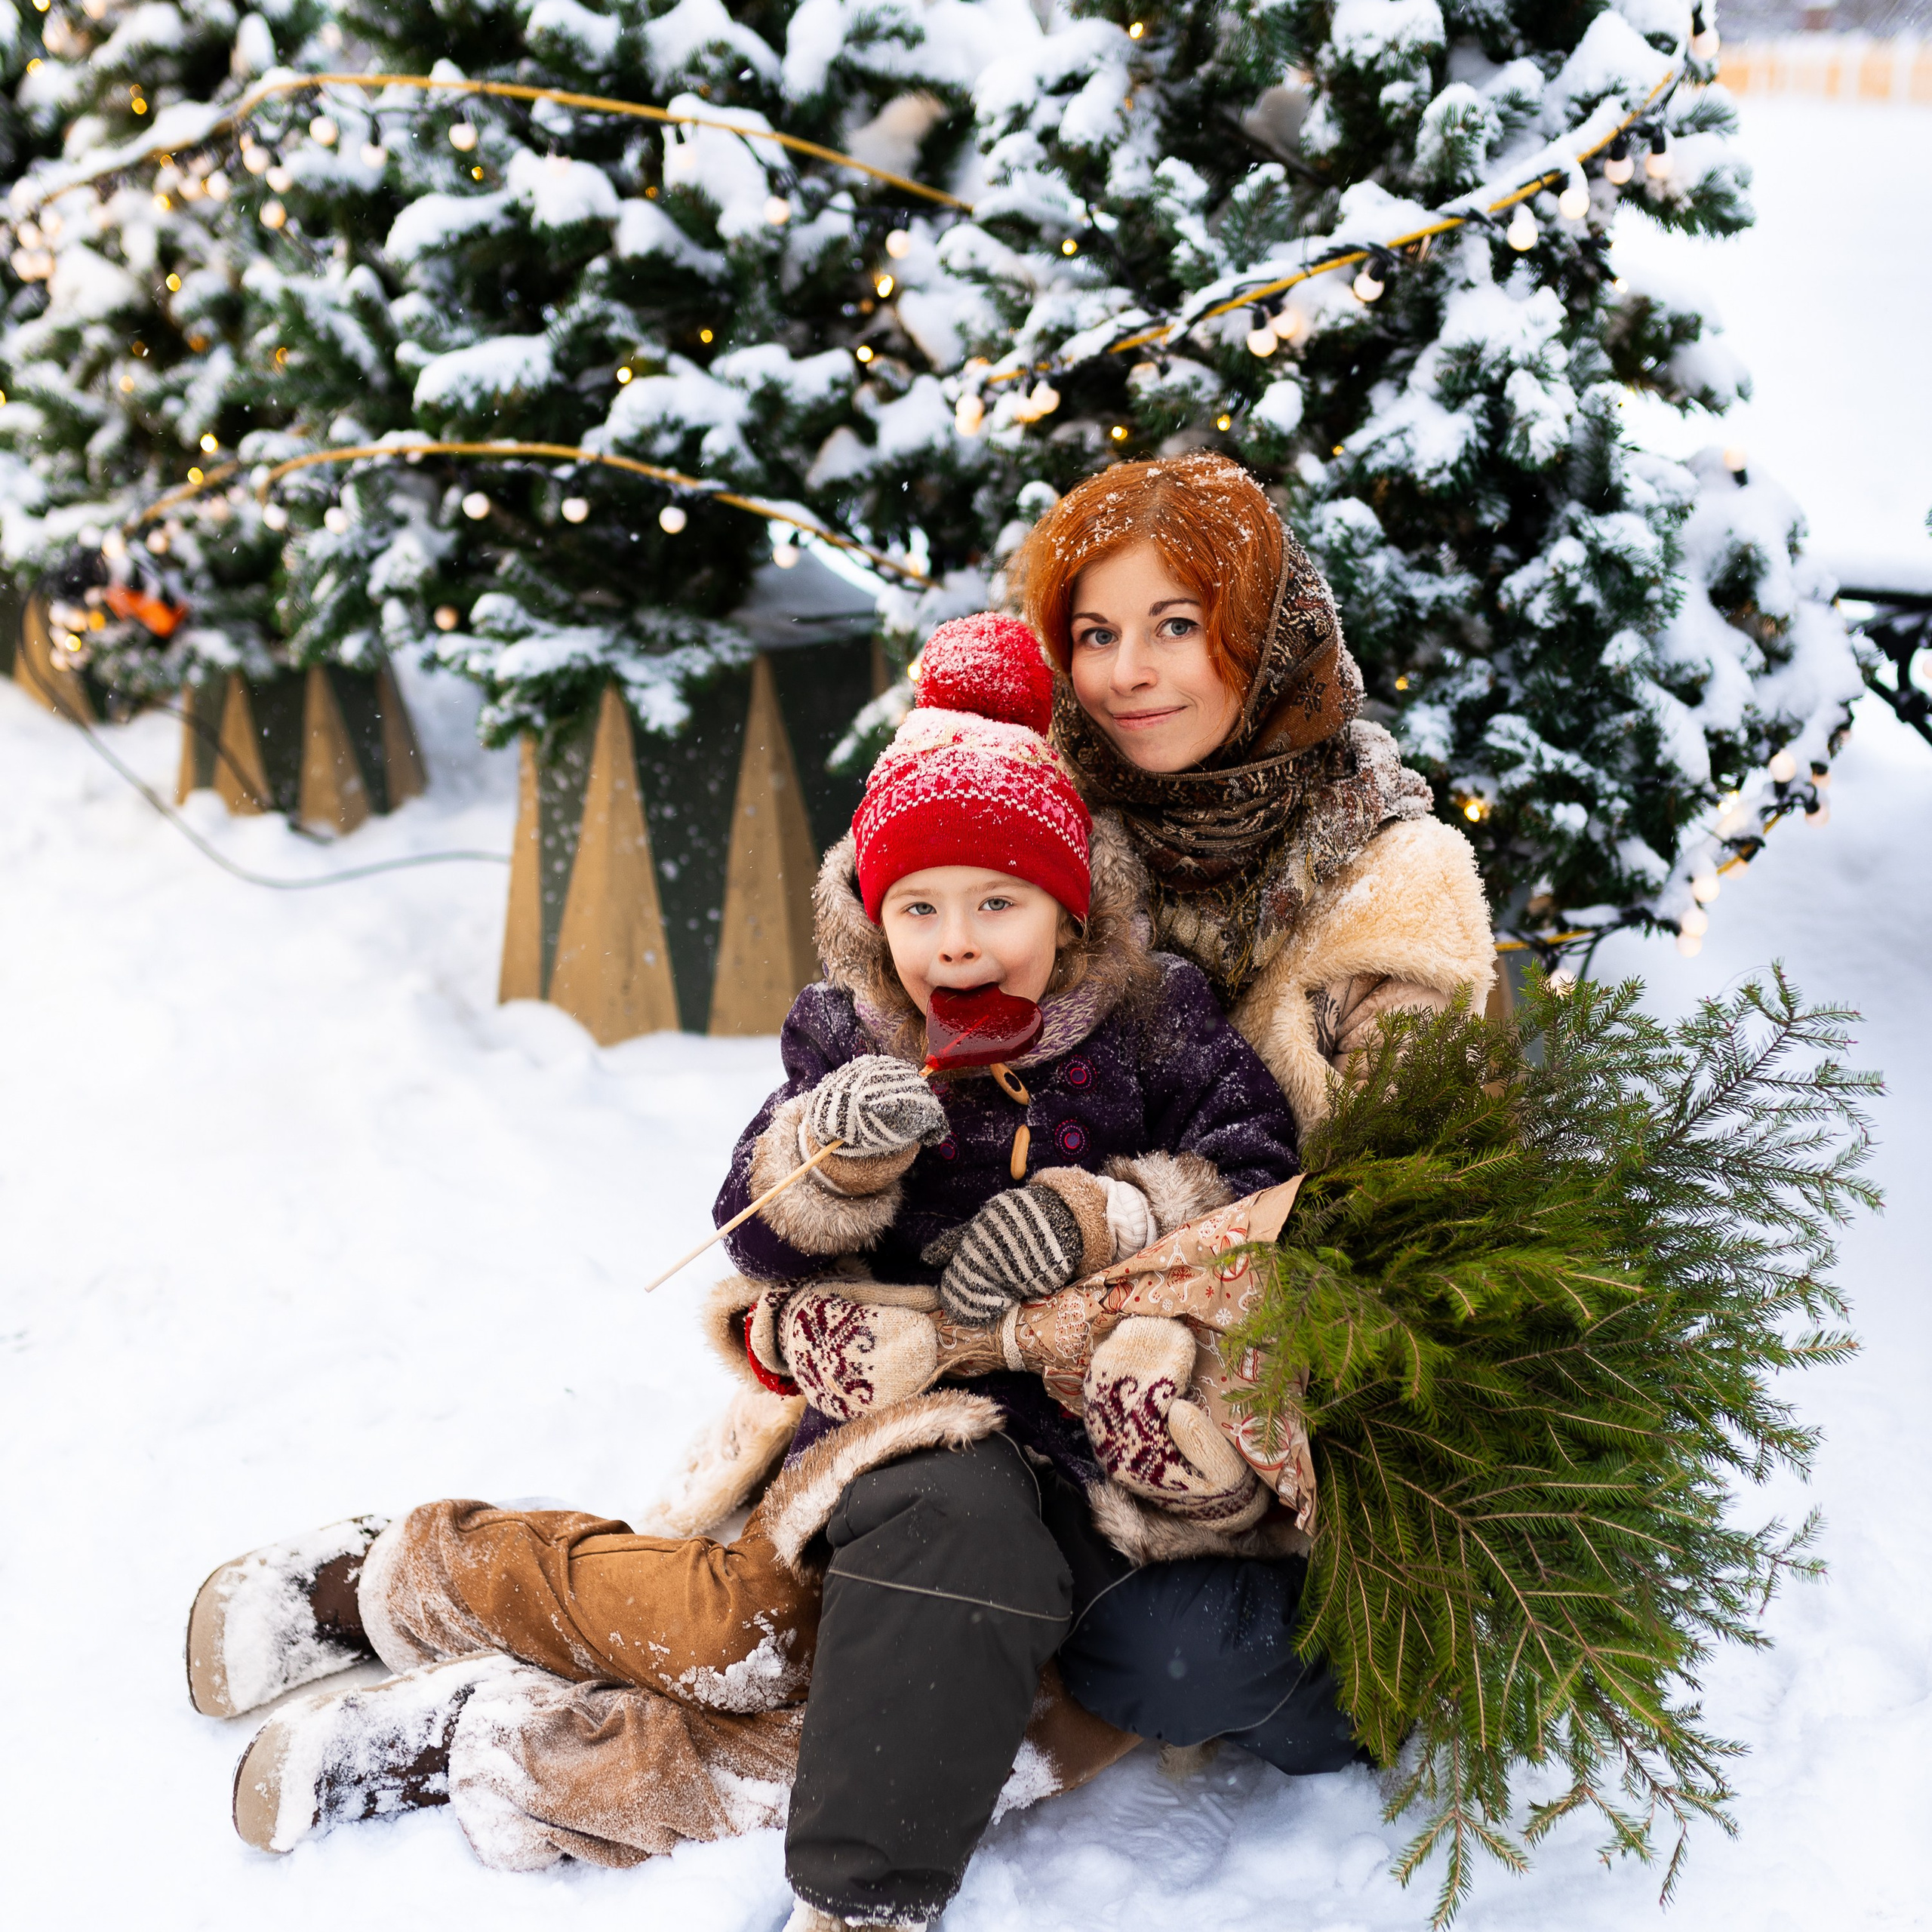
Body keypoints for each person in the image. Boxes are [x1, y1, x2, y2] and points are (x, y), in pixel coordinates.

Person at [186, 612, 1303, 1921]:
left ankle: (494, 1749)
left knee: (950, 1730)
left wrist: (1101, 1214)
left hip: (1093, 1458)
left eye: (1000, 903)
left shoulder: (1153, 1022)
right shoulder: (850, 1033)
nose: (959, 943)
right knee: (741, 1631)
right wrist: (831, 1167)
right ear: (871, 918)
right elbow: (752, 1226)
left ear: (1070, 904)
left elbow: (1253, 1160)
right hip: (892, 1424)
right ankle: (414, 1576)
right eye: (920, 908)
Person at [1001, 450, 1497, 1803]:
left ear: (1264, 643)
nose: (1129, 673)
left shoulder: (1389, 883)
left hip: (1290, 1410)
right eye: (1096, 634)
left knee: (1182, 1660)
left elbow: (1427, 1232)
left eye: (1178, 627)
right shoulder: (1043, 839)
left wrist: (1197, 1322)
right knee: (916, 1555)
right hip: (1034, 1367)